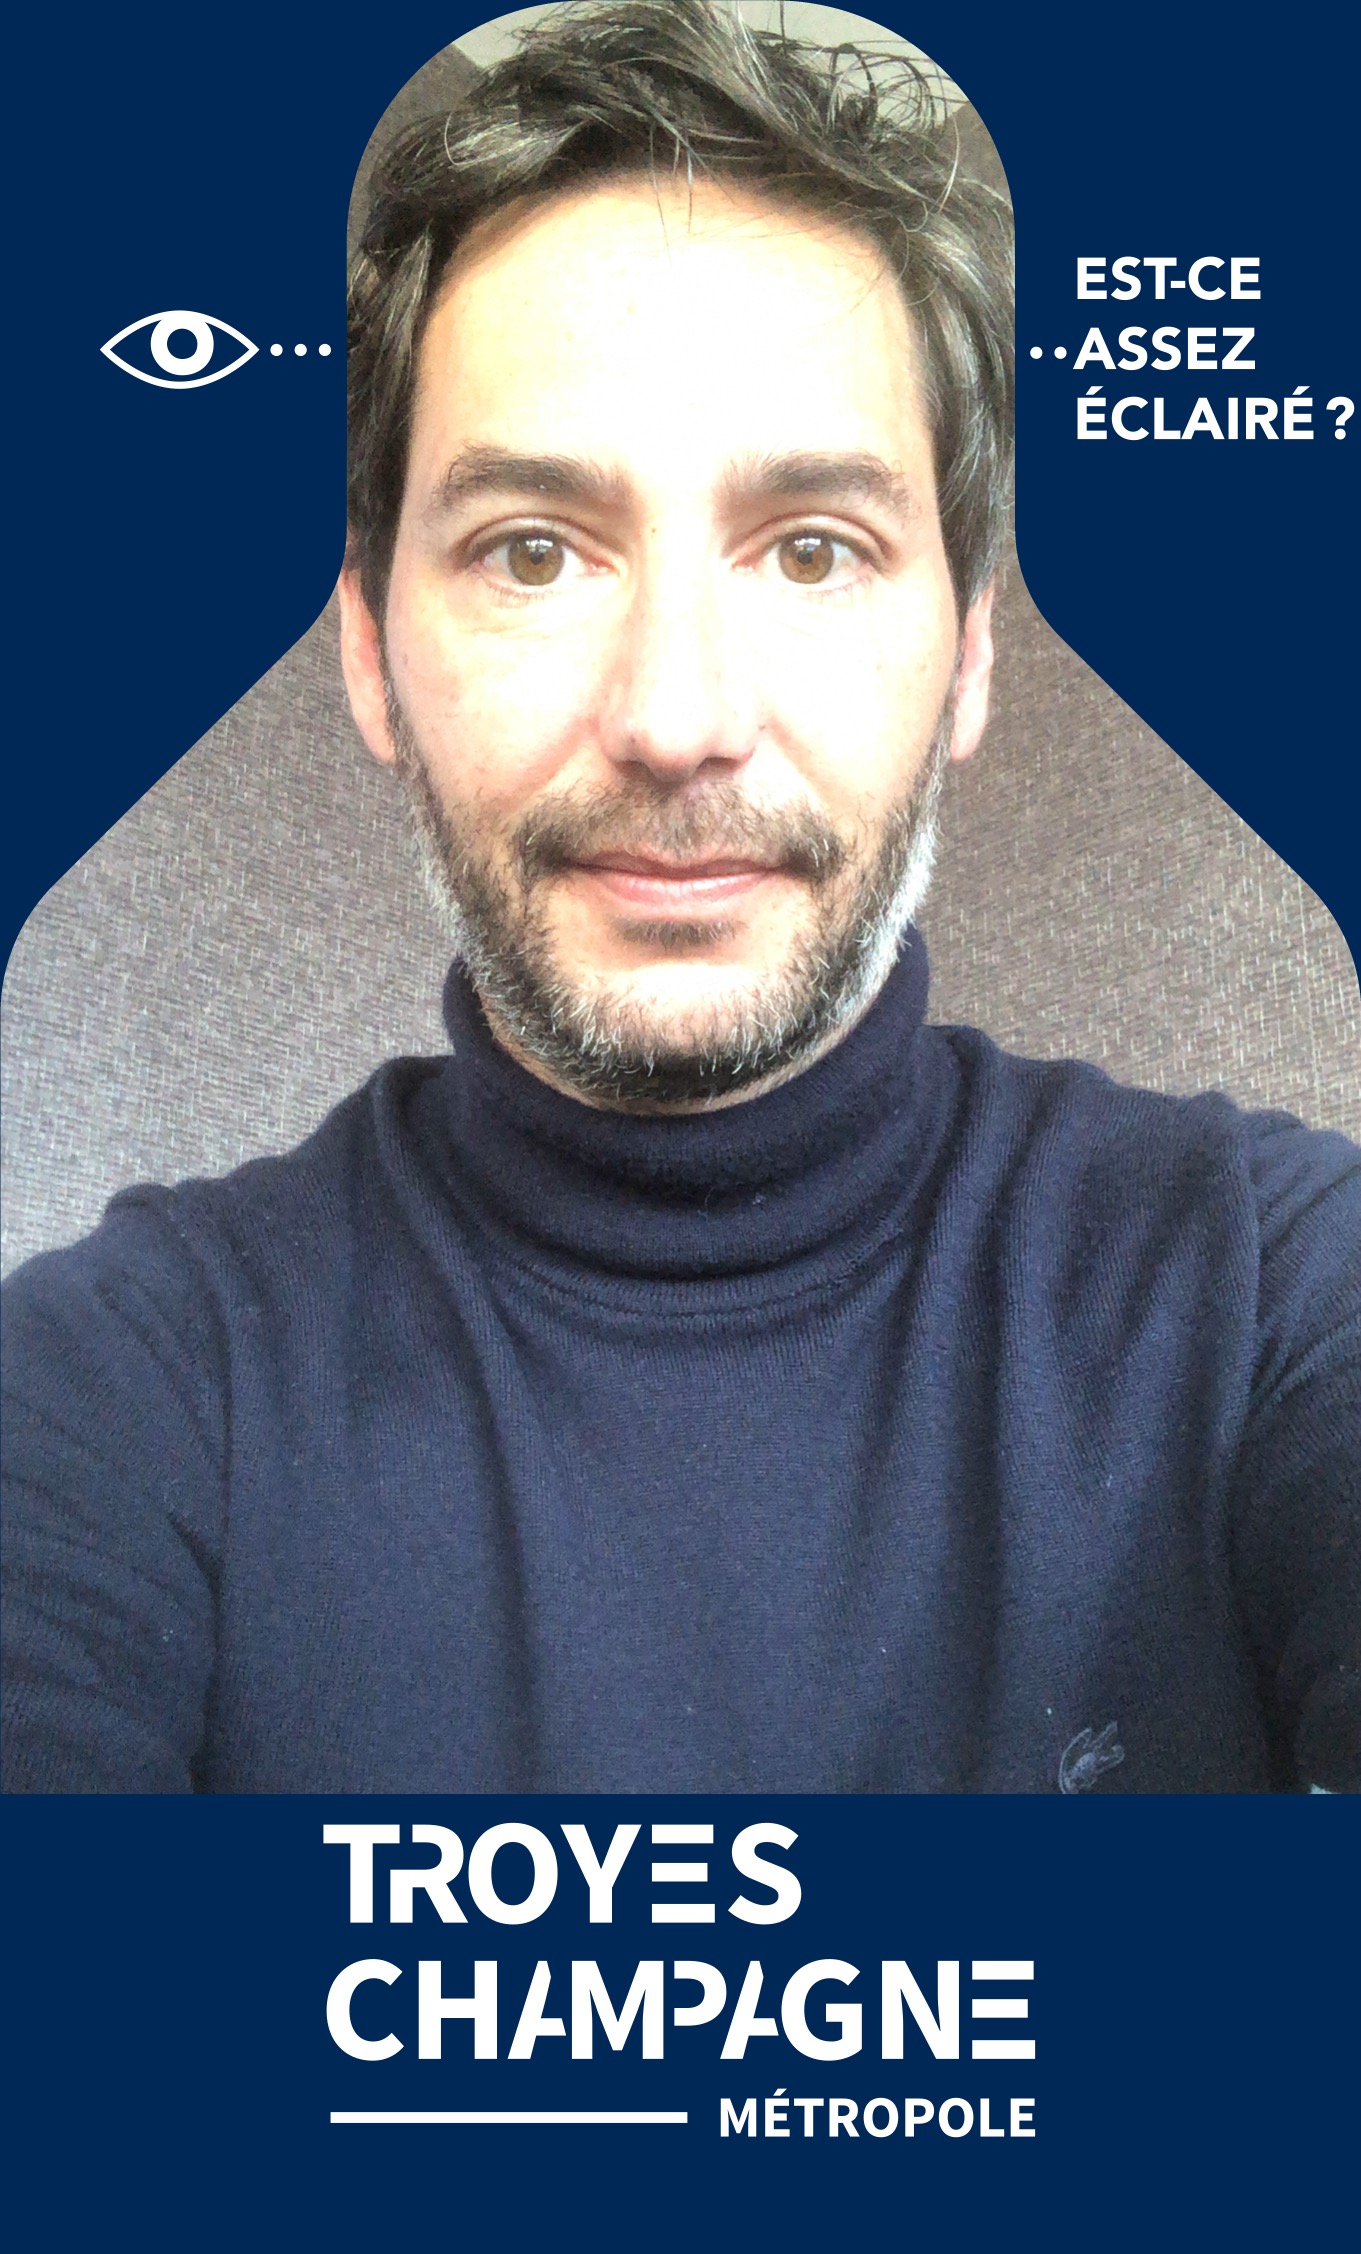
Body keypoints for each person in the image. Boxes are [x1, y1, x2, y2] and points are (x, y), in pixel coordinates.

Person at [3, 0, 1357, 1795]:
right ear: (368, 652)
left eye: (812, 549)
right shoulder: (103, 1391)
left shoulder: (1278, 1291)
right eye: (533, 551)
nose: (674, 717)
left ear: (965, 657)